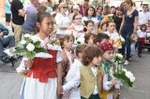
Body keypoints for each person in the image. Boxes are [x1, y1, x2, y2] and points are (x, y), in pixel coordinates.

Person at [17, 12, 62, 99]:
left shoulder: (55, 42)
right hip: (34, 81)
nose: (51, 26)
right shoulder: (31, 41)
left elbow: (59, 64)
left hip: (51, 81)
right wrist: (29, 54)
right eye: (47, 23)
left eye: (52, 23)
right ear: (38, 24)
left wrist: (59, 84)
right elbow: (29, 65)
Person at [119, 0, 138, 65]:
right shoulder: (125, 11)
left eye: (125, 4)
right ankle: (123, 57)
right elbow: (123, 21)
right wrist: (119, 30)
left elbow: (135, 23)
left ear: (129, 4)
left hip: (130, 30)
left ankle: (127, 59)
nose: (124, 6)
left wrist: (134, 32)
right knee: (122, 44)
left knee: (127, 44)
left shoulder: (135, 12)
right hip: (123, 29)